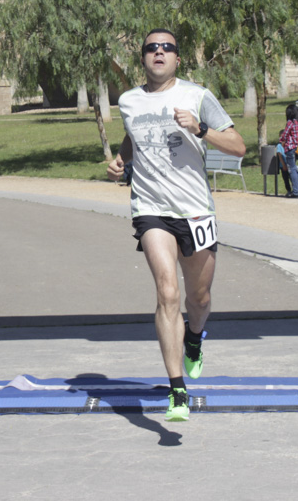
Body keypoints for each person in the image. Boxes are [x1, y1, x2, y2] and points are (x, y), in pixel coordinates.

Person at [106, 28, 246, 421]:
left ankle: (196, 339)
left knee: (198, 299)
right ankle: (177, 390)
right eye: (152, 48)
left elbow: (239, 146)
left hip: (196, 210)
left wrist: (200, 128)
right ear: (144, 58)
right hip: (151, 209)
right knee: (167, 292)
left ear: (178, 59)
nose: (159, 53)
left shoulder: (197, 97)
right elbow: (133, 136)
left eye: (167, 48)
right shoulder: (129, 101)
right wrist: (122, 161)